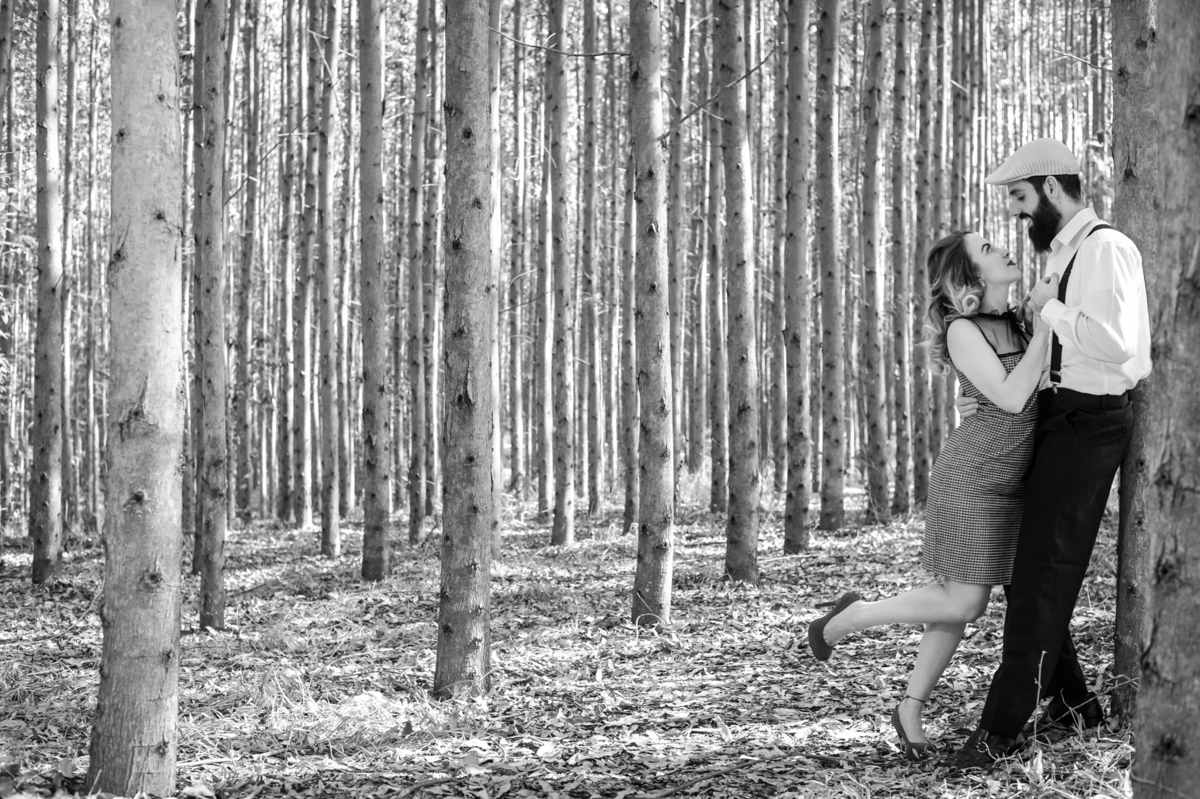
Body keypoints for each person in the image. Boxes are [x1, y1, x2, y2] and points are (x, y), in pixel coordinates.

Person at [807, 229, 1049, 761]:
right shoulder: (965, 330)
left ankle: (910, 707)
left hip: (1011, 483)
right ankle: (851, 616)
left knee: (953, 605)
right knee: (964, 600)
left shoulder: (1018, 322)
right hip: (973, 477)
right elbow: (1011, 398)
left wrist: (1041, 318)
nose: (1003, 248)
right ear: (971, 278)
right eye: (987, 249)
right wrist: (1047, 328)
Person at [948, 138, 1151, 769]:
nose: (1014, 212)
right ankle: (1074, 706)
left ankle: (1000, 730)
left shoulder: (1106, 249)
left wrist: (1052, 311)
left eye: (1019, 197)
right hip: (1060, 419)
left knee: (1042, 576)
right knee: (1027, 570)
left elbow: (1121, 348)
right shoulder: (1063, 251)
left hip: (1091, 423)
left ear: (1054, 190)